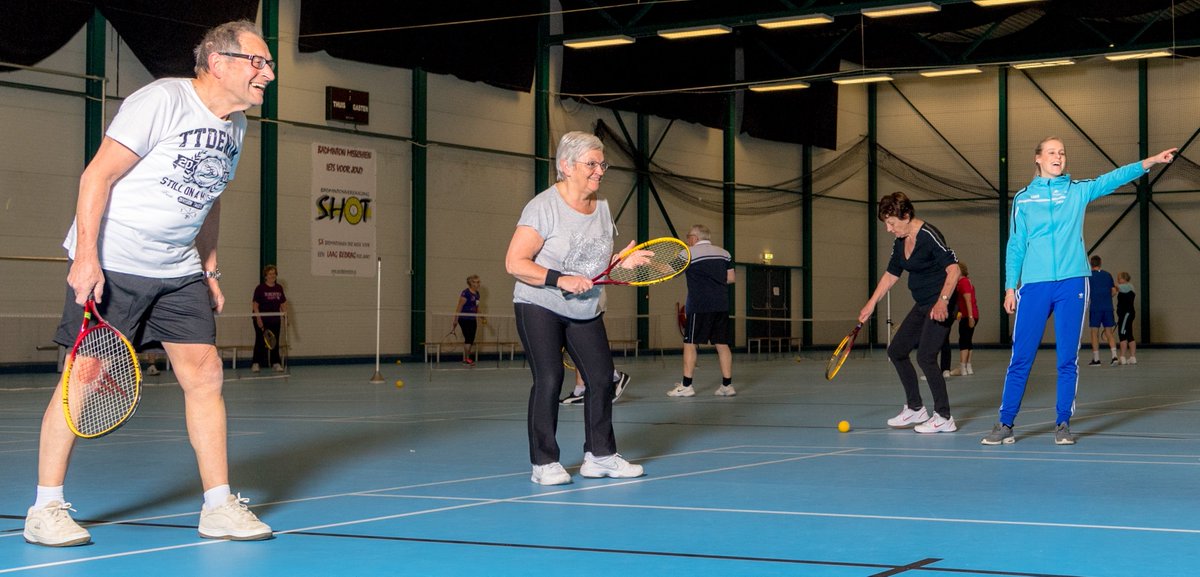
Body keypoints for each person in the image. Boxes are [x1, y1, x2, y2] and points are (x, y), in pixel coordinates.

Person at [23, 20, 275, 547]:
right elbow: (98, 176)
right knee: (84, 381)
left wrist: (209, 266)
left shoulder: (236, 125)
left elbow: (209, 192)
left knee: (205, 374)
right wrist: (87, 257)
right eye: (259, 62)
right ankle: (45, 507)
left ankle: (218, 505)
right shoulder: (162, 100)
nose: (268, 74)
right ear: (219, 61)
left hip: (177, 268)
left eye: (268, 63)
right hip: (115, 260)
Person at [982, 138, 1176, 446]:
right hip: (1033, 285)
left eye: (1062, 152)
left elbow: (1112, 179)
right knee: (1021, 356)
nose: (1058, 157)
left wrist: (1150, 161)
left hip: (1073, 282)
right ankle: (1005, 423)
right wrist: (1010, 287)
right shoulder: (1023, 199)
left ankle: (1062, 423)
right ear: (1038, 158)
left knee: (1067, 358)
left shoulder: (1077, 190)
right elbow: (1016, 245)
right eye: (1051, 152)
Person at [505, 130, 646, 486]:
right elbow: (515, 262)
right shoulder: (543, 207)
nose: (600, 171)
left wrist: (620, 263)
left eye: (602, 164)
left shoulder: (602, 208)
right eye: (592, 164)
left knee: (600, 380)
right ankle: (544, 462)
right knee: (550, 378)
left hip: (584, 308)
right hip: (539, 303)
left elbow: (591, 264)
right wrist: (558, 279)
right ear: (566, 166)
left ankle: (599, 456)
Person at [857, 192, 961, 434]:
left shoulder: (929, 236)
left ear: (906, 215)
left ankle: (944, 416)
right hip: (923, 304)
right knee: (896, 351)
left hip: (942, 303)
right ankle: (915, 408)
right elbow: (892, 274)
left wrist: (943, 301)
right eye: (886, 224)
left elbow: (954, 271)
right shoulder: (900, 241)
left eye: (892, 223)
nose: (889, 229)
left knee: (925, 356)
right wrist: (871, 303)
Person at [668, 224, 735, 397]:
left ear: (695, 238)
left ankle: (686, 386)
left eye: (688, 236)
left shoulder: (687, 253)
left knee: (690, 344)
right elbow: (731, 278)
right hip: (721, 305)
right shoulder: (725, 253)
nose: (686, 239)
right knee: (722, 344)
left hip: (699, 306)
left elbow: (670, 272)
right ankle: (727, 386)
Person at [251, 264, 288, 373]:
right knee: (260, 341)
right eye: (270, 274)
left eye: (274, 274)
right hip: (261, 320)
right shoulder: (260, 288)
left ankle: (275, 363)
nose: (272, 276)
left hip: (275, 320)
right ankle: (256, 363)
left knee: (274, 342)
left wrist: (286, 316)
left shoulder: (279, 288)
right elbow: (255, 305)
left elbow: (283, 304)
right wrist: (258, 319)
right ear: (265, 276)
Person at [1086, 255, 1119, 366]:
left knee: (1094, 333)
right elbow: (1114, 291)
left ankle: (1096, 359)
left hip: (1095, 308)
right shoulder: (1107, 275)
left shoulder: (1088, 276)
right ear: (1100, 263)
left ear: (1091, 264)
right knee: (1109, 332)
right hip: (1108, 307)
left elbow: (1086, 293)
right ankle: (1114, 356)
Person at [949, 261, 979, 376]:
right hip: (970, 314)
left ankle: (963, 367)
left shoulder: (963, 282)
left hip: (969, 315)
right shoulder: (966, 282)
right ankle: (968, 366)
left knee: (964, 341)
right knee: (968, 340)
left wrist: (970, 316)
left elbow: (968, 300)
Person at [451, 275, 481, 365]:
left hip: (472, 318)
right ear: (470, 283)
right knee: (468, 338)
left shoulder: (477, 294)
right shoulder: (466, 293)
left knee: (471, 339)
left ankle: (466, 358)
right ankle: (466, 359)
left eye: (478, 282)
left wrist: (482, 315)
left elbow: (476, 307)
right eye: (474, 282)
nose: (477, 284)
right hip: (464, 318)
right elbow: (459, 306)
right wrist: (455, 319)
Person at [1116, 271, 1137, 365]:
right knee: (1129, 335)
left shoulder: (1127, 287)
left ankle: (1122, 357)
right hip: (1127, 314)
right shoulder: (1129, 287)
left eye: (1119, 278)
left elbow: (1116, 287)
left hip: (1126, 314)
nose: (1118, 280)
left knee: (1122, 335)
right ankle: (1133, 357)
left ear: (1124, 279)